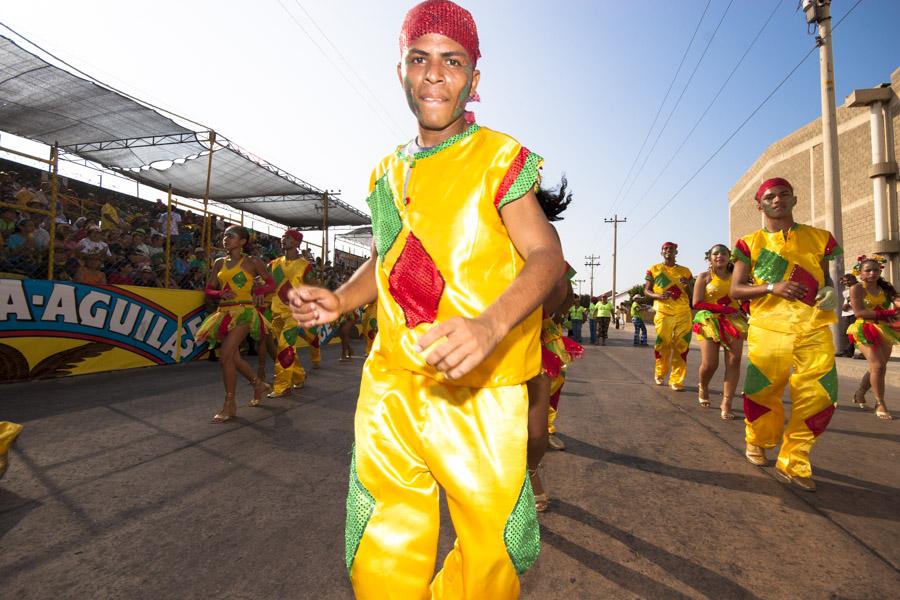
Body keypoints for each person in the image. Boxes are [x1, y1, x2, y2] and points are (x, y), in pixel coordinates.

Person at [288, 2, 563, 595]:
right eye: (420, 58)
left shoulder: (499, 158)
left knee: (495, 552)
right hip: (392, 385)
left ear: (474, 79)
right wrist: (340, 300)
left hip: (481, 390)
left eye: (452, 60)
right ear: (403, 73)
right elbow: (386, 258)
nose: (435, 73)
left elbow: (546, 257)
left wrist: (490, 326)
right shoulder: (385, 173)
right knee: (381, 543)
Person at [731, 177, 842, 492]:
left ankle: (794, 460)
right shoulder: (749, 244)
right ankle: (759, 440)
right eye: (770, 196)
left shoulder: (820, 238)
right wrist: (771, 287)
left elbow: (825, 280)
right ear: (760, 205)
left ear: (795, 200)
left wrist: (830, 293)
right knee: (764, 391)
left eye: (784, 195)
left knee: (822, 394)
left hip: (814, 326)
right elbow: (736, 290)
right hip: (769, 328)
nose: (777, 200)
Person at [195, 226, 275, 422]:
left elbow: (271, 284)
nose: (225, 239)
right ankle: (258, 384)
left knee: (225, 356)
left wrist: (258, 293)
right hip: (223, 312)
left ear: (242, 241)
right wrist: (220, 293)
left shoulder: (252, 261)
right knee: (232, 358)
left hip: (244, 312)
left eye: (231, 236)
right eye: (224, 236)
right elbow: (209, 289)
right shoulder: (218, 263)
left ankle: (229, 404)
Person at [691, 244, 748, 419]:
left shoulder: (737, 277)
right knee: (710, 364)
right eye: (716, 253)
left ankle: (727, 402)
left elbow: (744, 299)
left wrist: (745, 310)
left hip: (733, 322)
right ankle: (703, 385)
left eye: (724, 253)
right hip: (709, 321)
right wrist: (724, 309)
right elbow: (697, 303)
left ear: (729, 256)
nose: (720, 256)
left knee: (734, 360)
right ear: (710, 258)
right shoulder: (704, 277)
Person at [846, 255, 898, 420]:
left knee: (878, 367)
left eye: (875, 270)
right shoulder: (857, 288)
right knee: (878, 366)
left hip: (884, 329)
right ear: (860, 273)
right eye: (868, 270)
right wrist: (887, 313)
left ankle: (860, 393)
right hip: (864, 328)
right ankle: (880, 403)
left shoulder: (885, 289)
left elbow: (897, 301)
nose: (872, 273)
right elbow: (859, 313)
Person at [266, 230, 315, 398]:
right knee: (286, 347)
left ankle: (282, 386)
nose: (283, 240)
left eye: (288, 238)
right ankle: (299, 375)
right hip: (276, 312)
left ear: (297, 243)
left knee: (284, 346)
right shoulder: (273, 264)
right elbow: (267, 285)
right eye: (282, 237)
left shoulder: (305, 266)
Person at [644, 242, 694, 390]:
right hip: (663, 312)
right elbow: (646, 290)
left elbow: (692, 295)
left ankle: (677, 380)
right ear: (661, 252)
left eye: (671, 249)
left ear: (676, 252)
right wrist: (658, 296)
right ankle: (660, 373)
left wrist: (688, 285)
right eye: (665, 249)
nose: (668, 251)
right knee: (663, 343)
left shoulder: (685, 271)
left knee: (682, 346)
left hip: (683, 312)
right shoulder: (654, 269)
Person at [838, 273, 858, 358]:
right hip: (848, 313)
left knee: (852, 333)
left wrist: (848, 304)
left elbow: (855, 298)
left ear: (854, 279)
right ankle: (847, 351)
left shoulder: (857, 287)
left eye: (848, 280)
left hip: (854, 313)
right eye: (845, 281)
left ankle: (848, 351)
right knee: (846, 333)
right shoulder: (848, 289)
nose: (846, 282)